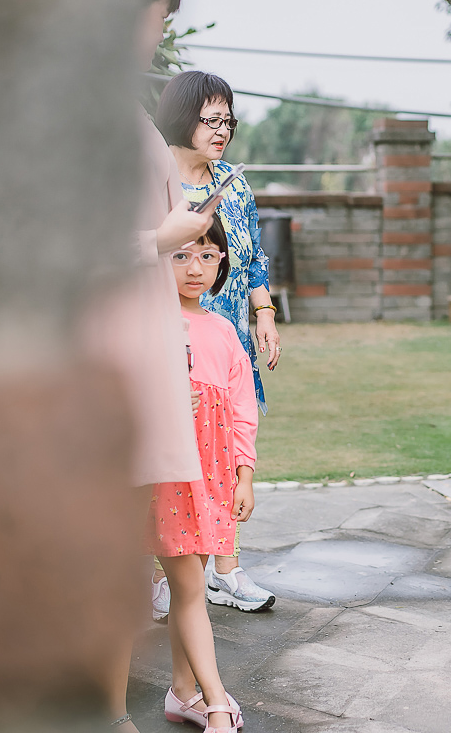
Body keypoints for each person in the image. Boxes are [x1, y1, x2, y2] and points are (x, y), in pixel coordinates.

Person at [80, 0, 229, 730]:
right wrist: (163, 235)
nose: (158, 31)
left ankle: (115, 708)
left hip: (140, 347)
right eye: (156, 15)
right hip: (101, 359)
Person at [155, 71, 279, 613]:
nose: (222, 130)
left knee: (228, 450)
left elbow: (251, 258)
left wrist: (266, 315)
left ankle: (225, 570)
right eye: (210, 119)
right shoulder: (157, 184)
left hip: (226, 341)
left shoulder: (235, 182)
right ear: (182, 119)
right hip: (169, 342)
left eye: (228, 120)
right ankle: (164, 575)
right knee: (169, 460)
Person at [151, 216, 253, 732]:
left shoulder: (223, 329)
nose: (196, 268)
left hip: (209, 473)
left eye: (208, 256)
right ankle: (215, 701)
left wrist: (244, 473)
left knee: (184, 578)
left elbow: (240, 409)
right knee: (187, 581)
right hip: (160, 470)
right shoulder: (147, 323)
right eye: (182, 255)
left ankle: (183, 691)